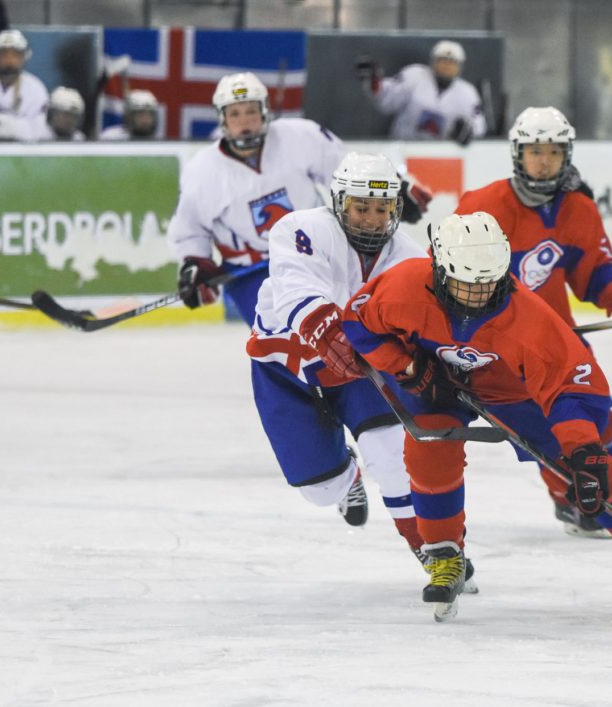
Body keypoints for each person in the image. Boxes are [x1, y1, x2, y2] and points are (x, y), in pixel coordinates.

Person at [342, 212, 612, 620]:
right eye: (466, 283)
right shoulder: (403, 287)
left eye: (488, 283)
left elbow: (571, 389)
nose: (479, 295)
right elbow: (358, 324)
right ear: (440, 271)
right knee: (428, 446)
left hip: (513, 394)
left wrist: (583, 447)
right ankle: (444, 553)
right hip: (437, 384)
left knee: (589, 473)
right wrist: (407, 367)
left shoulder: (531, 320)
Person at [244, 152, 475, 588]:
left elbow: (429, 319)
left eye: (382, 209)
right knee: (319, 490)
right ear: (338, 203)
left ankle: (434, 550)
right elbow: (297, 288)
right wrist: (328, 332)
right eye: (361, 208)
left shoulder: (409, 257)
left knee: (392, 456)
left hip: (359, 372)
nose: (371, 219)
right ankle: (346, 476)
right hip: (285, 372)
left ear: (395, 209)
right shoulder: (300, 229)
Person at [455, 106, 612, 539]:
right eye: (534, 151)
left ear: (567, 156)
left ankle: (601, 495)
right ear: (517, 154)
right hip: (495, 346)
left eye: (553, 152)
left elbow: (592, 274)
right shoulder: (480, 206)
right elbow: (448, 275)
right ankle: (572, 499)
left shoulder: (578, 209)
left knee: (599, 417)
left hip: (556, 339)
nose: (543, 160)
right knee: (547, 430)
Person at [167, 71, 430, 325]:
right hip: (251, 272)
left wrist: (395, 186)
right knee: (287, 339)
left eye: (251, 111)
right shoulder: (201, 171)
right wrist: (196, 263)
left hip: (317, 252)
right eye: (235, 113)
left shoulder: (301, 136)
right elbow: (190, 230)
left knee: (349, 325)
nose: (245, 121)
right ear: (223, 119)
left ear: (264, 110)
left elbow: (344, 167)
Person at [356, 40, 487, 145]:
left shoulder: (468, 93)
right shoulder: (414, 75)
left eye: (452, 62)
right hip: (403, 148)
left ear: (460, 67)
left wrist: (468, 132)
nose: (447, 66)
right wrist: (374, 82)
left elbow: (479, 126)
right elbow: (387, 100)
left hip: (443, 157)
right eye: (442, 60)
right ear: (433, 62)